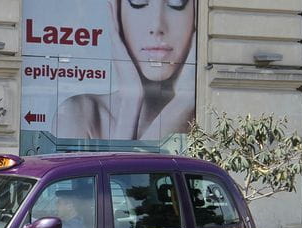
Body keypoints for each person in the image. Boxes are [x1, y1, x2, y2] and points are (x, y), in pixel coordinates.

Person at [55, 0, 196, 141]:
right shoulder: (77, 114)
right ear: (116, 12)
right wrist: (131, 99)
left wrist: (184, 100)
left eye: (176, 2)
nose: (157, 26)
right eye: (138, 2)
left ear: (196, 18)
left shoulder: (206, 115)